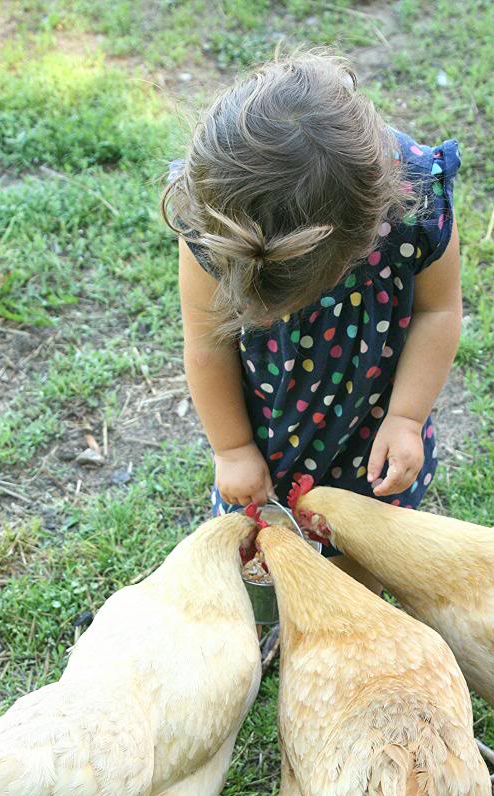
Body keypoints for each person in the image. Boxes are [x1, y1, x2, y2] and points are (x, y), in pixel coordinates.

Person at [164, 51, 462, 587]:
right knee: (260, 534)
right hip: (267, 418)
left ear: (370, 231)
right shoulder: (213, 222)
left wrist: (406, 419)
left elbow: (437, 310)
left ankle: (350, 600)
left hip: (372, 412)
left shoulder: (415, 198)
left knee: (365, 536)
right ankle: (277, 608)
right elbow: (207, 343)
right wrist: (233, 449)